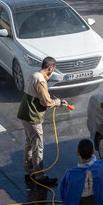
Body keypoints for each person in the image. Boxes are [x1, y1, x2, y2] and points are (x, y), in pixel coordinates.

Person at [17, 57, 67, 187]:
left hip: (24, 115)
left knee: (29, 144)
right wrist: (58, 102)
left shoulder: (34, 75)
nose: (53, 71)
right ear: (50, 68)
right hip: (32, 118)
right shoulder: (40, 81)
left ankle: (29, 172)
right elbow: (45, 102)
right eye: (53, 69)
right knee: (38, 146)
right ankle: (39, 176)